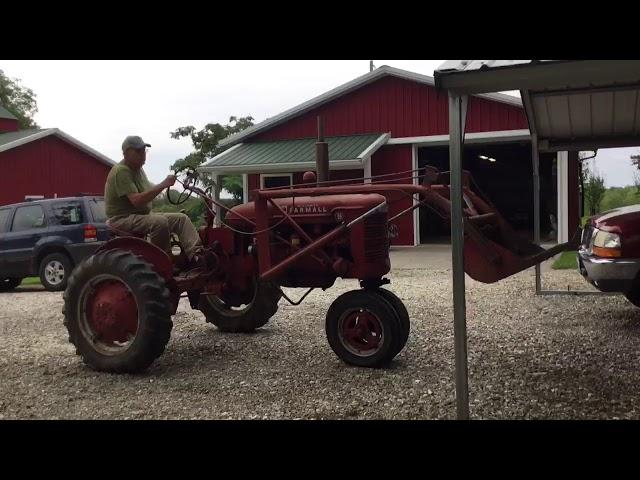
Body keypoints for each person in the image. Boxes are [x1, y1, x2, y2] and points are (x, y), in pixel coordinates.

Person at [104, 135, 204, 267]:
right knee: (159, 222)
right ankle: (163, 263)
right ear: (127, 153)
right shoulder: (121, 171)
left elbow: (148, 194)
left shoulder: (139, 170)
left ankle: (198, 256)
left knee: (181, 219)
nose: (143, 155)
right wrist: (163, 184)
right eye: (138, 151)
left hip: (142, 216)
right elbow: (137, 201)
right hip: (121, 218)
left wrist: (164, 186)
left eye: (144, 151)